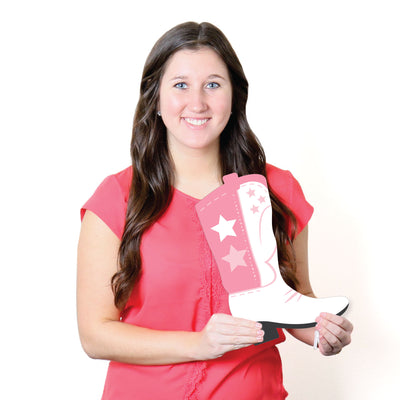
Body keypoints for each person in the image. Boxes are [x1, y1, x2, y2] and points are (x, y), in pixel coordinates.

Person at [77, 21, 353, 400]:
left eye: (213, 84)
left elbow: (291, 298)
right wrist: (199, 344)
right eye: (180, 85)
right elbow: (95, 334)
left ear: (234, 95)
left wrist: (321, 332)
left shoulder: (276, 191)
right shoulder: (117, 198)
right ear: (155, 98)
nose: (197, 103)